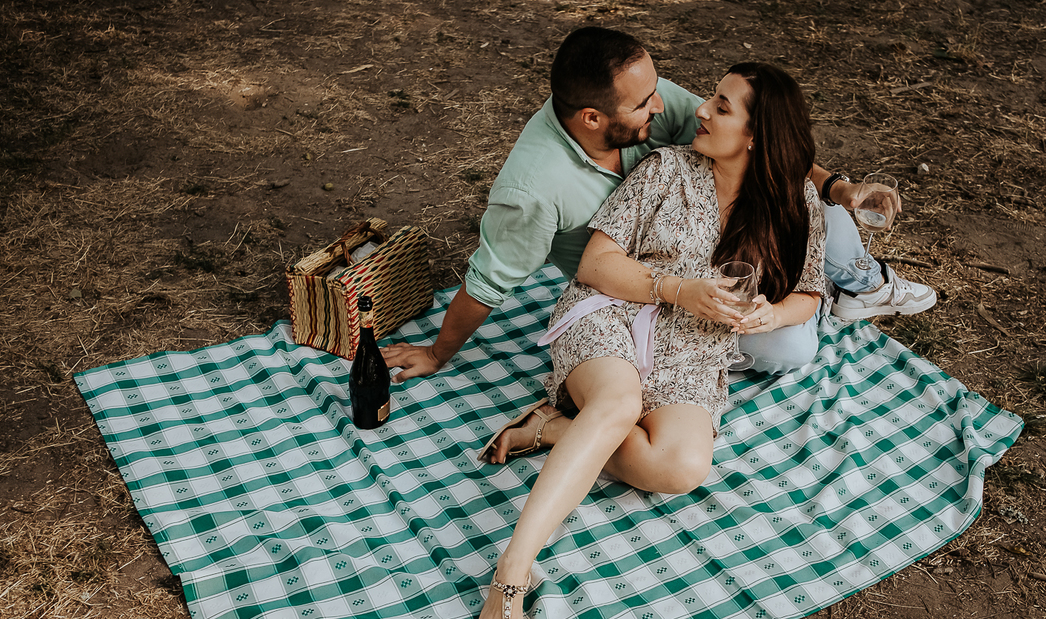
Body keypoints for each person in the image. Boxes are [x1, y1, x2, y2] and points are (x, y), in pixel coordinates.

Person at [472, 62, 826, 619]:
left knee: (682, 466)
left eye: (721, 105)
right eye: (710, 99)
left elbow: (810, 295)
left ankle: (556, 427)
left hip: (695, 348)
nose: (702, 112)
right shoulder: (667, 169)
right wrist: (676, 288)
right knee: (618, 405)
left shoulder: (796, 201)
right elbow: (594, 264)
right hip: (613, 312)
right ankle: (512, 571)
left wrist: (771, 317)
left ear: (756, 136)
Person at [382, 27, 935, 384]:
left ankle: (862, 282)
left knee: (816, 214)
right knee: (788, 341)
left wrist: (834, 186)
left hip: (727, 245)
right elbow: (488, 281)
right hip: (638, 286)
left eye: (656, 92)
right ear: (593, 119)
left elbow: (765, 141)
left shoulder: (654, 107)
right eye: (645, 103)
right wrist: (437, 352)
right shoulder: (534, 189)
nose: (669, 107)